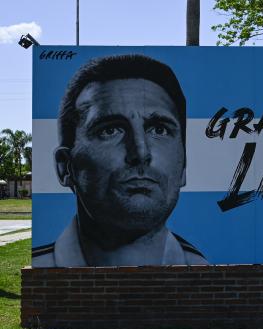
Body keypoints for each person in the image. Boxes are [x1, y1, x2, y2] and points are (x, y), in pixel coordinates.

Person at [32, 54, 207, 267]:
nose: (141, 153)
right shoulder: (42, 267)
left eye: (159, 129)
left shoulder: (206, 270)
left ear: (184, 165)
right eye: (110, 130)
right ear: (65, 167)